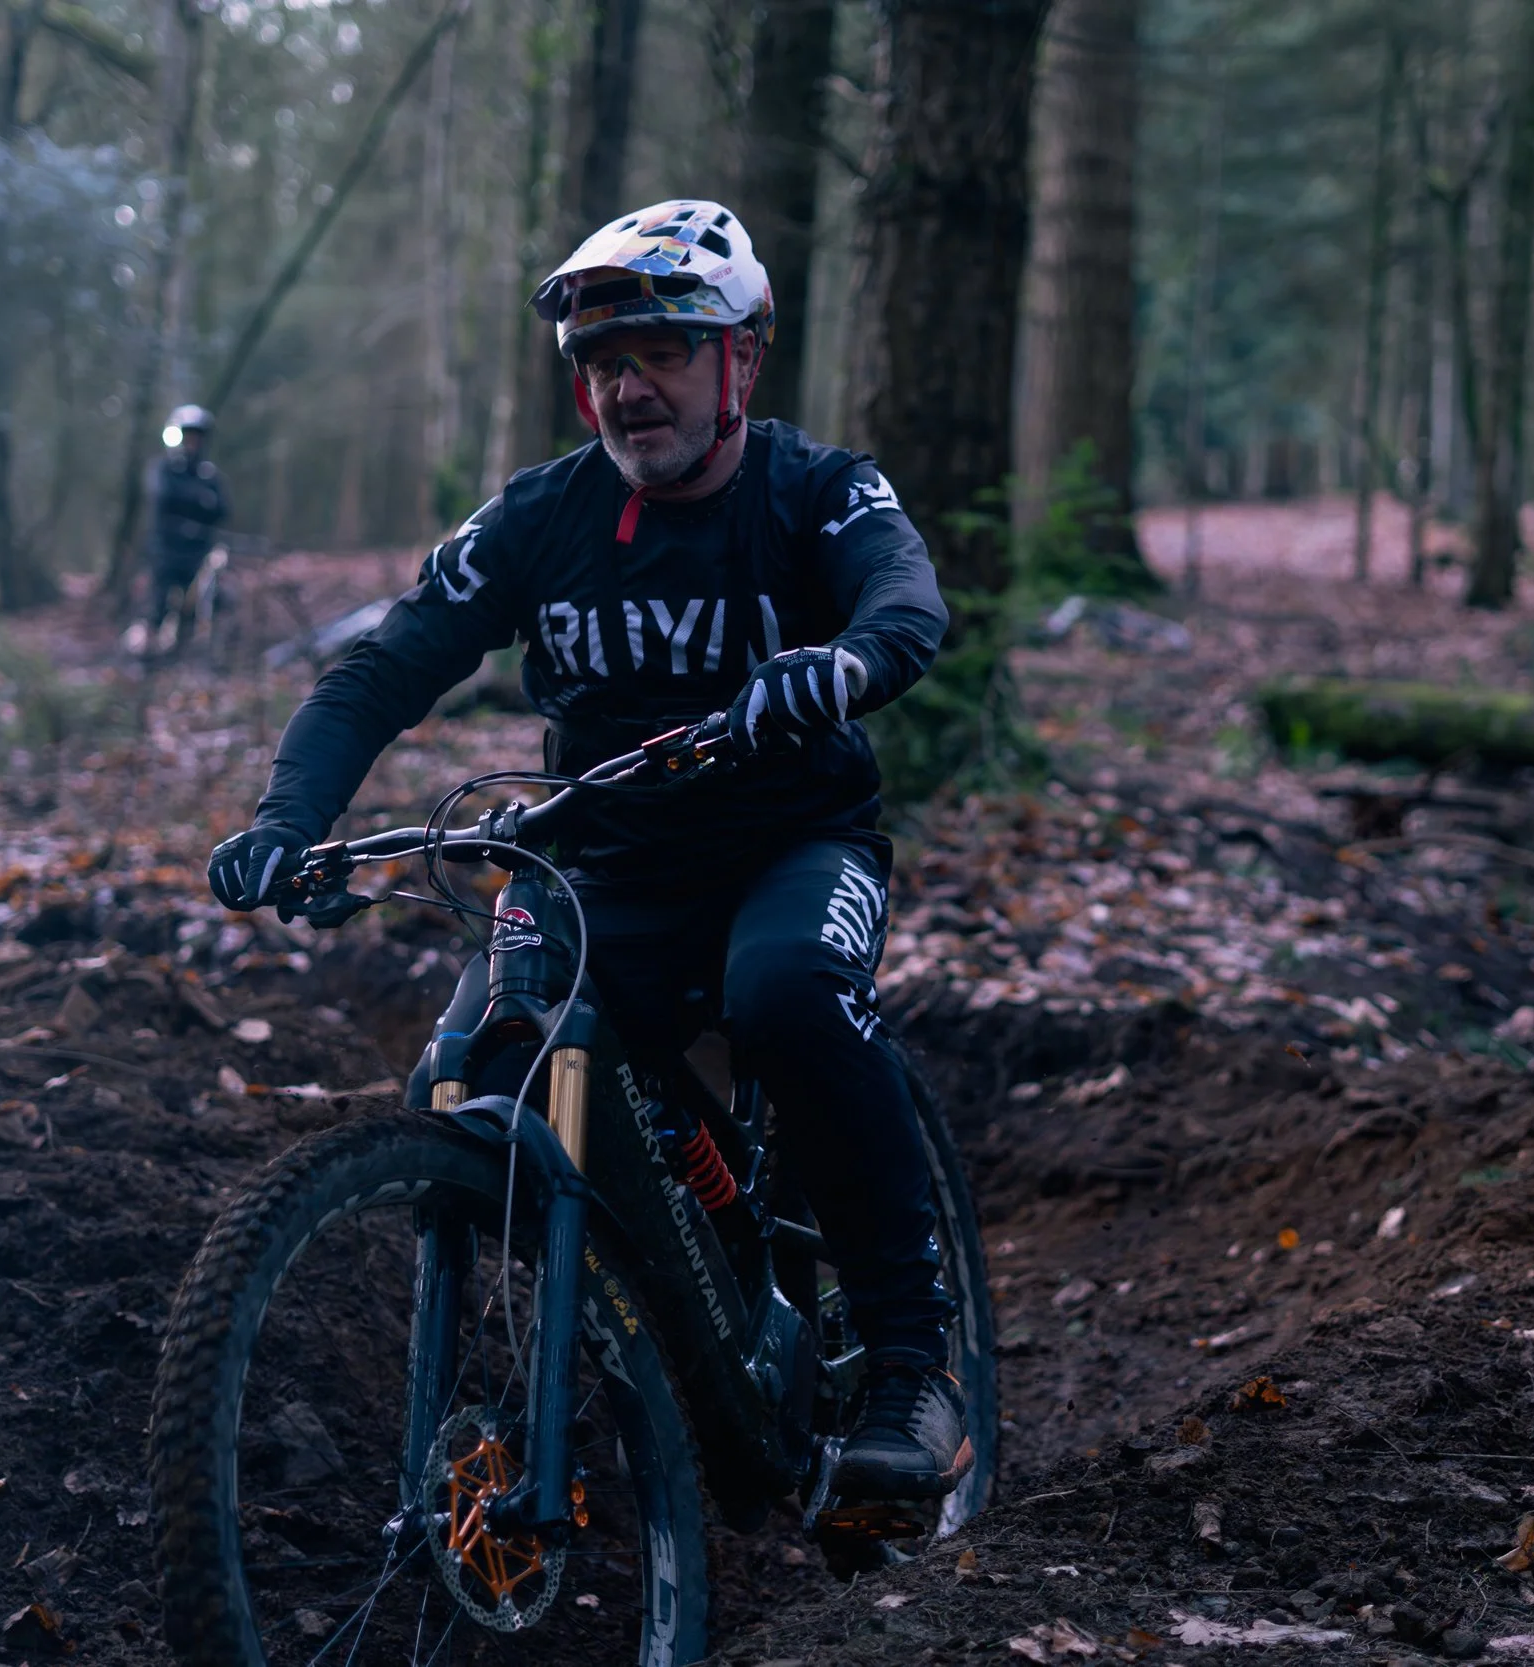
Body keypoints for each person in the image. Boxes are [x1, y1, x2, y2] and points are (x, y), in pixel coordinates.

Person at [205, 200, 968, 1505]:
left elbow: (905, 600)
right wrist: (289, 819)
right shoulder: (540, 518)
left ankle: (909, 1360)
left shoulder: (817, 488)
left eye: (661, 353)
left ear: (739, 361)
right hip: (598, 864)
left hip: (792, 843)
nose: (627, 388)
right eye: (603, 364)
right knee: (471, 1062)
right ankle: (613, 1354)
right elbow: (380, 672)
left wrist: (839, 664)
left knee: (784, 991)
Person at [131, 404, 230, 654]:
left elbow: (221, 509)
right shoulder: (163, 469)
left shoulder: (209, 475)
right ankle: (145, 652)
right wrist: (198, 500)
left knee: (201, 604)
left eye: (197, 437)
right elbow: (164, 499)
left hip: (199, 552)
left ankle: (190, 653)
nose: (192, 442)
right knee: (158, 603)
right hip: (166, 550)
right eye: (188, 436)